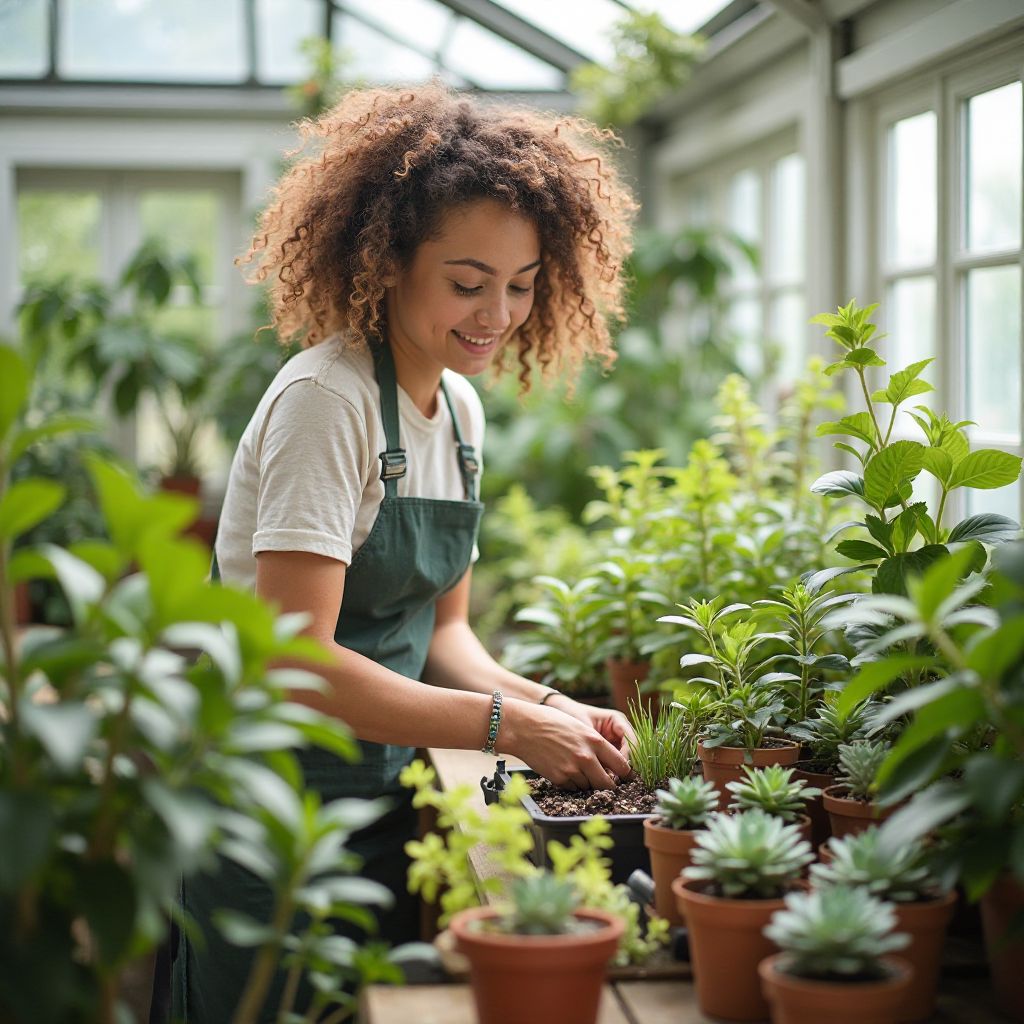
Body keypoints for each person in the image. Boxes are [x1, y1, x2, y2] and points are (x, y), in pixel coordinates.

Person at [171, 81, 639, 1022]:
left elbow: (443, 634)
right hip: (270, 805)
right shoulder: (327, 402)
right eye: (468, 282)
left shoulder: (459, 413)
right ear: (386, 262)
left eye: (522, 282)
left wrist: (555, 707)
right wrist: (508, 728)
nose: (497, 313)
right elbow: (297, 662)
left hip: (386, 793)